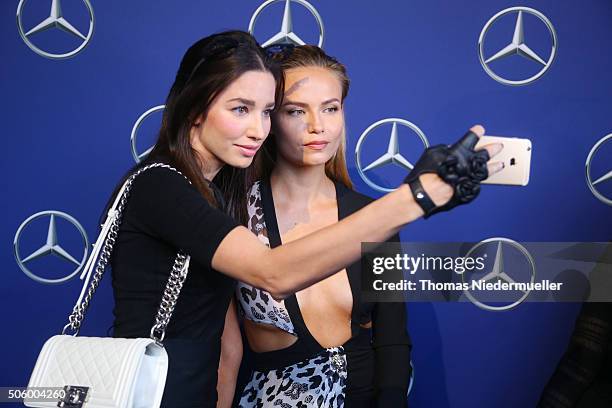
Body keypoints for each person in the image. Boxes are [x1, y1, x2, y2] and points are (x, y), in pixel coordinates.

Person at [107, 30, 503, 407]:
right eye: (241, 109)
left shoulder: (213, 195)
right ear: (195, 107)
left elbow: (225, 342)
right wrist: (416, 198)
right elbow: (273, 273)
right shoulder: (162, 186)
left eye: (265, 112)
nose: (257, 129)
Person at [218, 45, 413, 407]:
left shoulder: (371, 217)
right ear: (271, 119)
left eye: (330, 108)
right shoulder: (235, 215)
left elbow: (392, 339)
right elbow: (223, 351)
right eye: (296, 111)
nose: (317, 126)